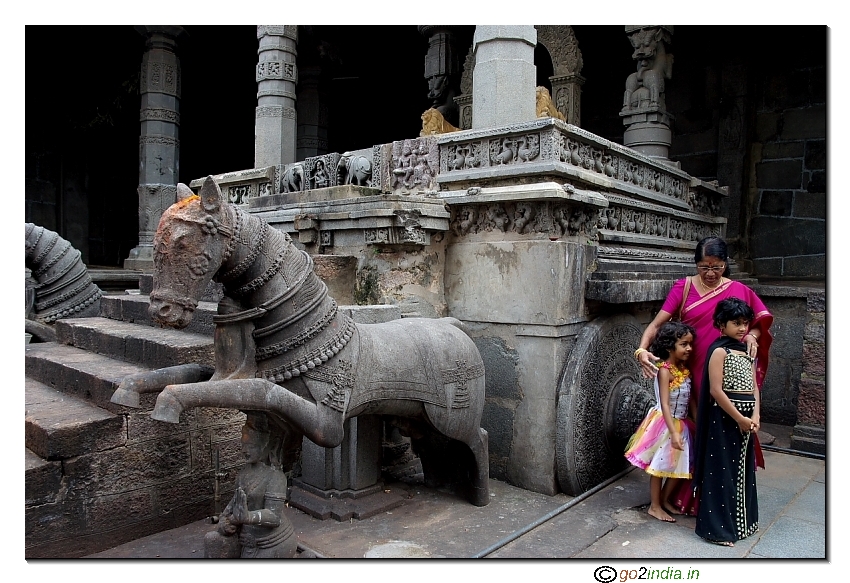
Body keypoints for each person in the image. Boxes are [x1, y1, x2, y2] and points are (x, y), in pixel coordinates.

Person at [633, 236, 773, 514]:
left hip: (724, 371)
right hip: (691, 373)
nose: (710, 273)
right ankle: (681, 496)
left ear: (725, 264)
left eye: (717, 267)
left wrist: (754, 336)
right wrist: (641, 350)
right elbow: (656, 324)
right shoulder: (683, 288)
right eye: (703, 267)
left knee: (720, 433)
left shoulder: (738, 290)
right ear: (696, 264)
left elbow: (756, 322)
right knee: (693, 434)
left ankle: (712, 498)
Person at [693, 297, 760, 546]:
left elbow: (754, 387)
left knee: (741, 471)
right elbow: (716, 391)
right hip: (724, 420)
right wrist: (740, 418)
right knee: (721, 471)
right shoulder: (719, 351)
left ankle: (743, 524)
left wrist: (755, 416)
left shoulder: (745, 352)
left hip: (746, 421)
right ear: (721, 324)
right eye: (736, 323)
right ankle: (717, 530)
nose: (743, 328)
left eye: (745, 323)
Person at [625, 321, 697, 523]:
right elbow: (665, 403)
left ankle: (664, 500)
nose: (689, 348)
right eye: (684, 344)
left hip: (682, 423)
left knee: (680, 465)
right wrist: (673, 432)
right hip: (664, 425)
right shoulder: (665, 370)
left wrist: (695, 419)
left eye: (690, 344)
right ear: (669, 346)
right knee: (659, 466)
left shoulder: (683, 368)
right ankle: (654, 506)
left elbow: (690, 398)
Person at [204, 413, 298, 559]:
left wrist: (248, 517)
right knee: (212, 540)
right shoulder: (244, 473)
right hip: (246, 537)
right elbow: (236, 502)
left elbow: (274, 517)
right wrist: (224, 519)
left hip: (272, 542)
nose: (243, 450)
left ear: (266, 445)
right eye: (243, 445)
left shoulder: (276, 477)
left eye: (250, 446)